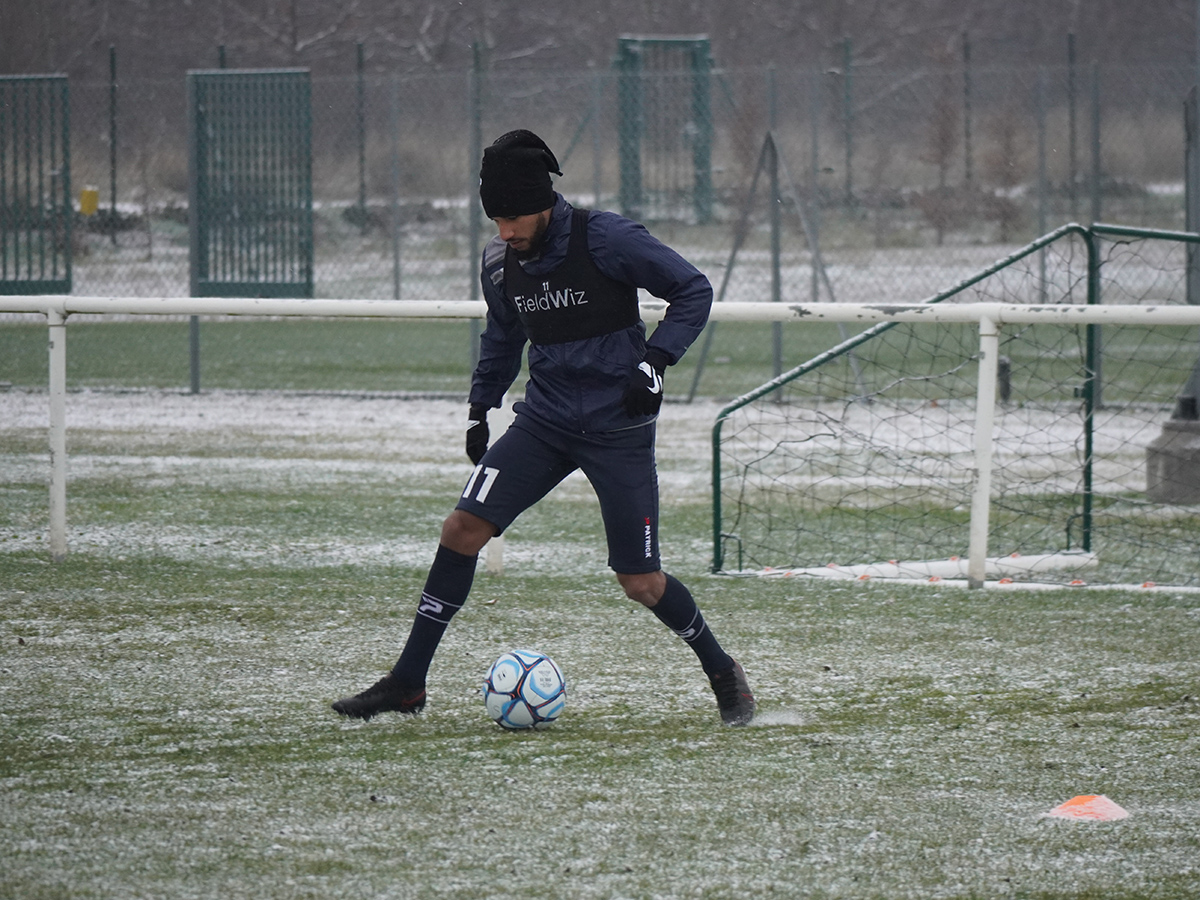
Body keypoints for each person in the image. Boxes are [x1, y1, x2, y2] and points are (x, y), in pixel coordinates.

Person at [333, 129, 754, 726]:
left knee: (639, 580)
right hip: (545, 421)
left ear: (544, 203)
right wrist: (481, 406)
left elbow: (693, 289)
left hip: (618, 427)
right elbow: (502, 337)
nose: (504, 231)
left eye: (513, 217)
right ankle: (407, 682)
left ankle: (722, 671)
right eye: (495, 219)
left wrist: (654, 362)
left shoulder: (606, 238)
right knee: (461, 529)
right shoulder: (500, 263)